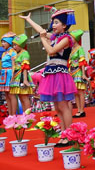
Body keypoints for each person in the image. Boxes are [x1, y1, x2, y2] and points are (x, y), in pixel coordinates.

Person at [20, 7, 78, 146]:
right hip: (51, 73)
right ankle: (63, 134)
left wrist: (42, 38)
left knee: (63, 105)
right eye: (53, 23)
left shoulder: (66, 39)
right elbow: (42, 31)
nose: (53, 25)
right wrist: (29, 20)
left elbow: (51, 51)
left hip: (60, 73)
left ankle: (69, 135)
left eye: (56, 22)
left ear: (64, 25)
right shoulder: (55, 37)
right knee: (57, 107)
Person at [9, 34, 34, 113]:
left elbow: (25, 67)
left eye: (15, 45)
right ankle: (24, 115)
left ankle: (28, 115)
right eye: (13, 45)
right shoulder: (18, 54)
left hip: (22, 76)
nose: (14, 47)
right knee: (20, 97)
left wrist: (25, 80)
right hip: (17, 76)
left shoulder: (25, 53)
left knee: (24, 97)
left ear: (21, 45)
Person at [68, 29, 88, 118]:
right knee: (75, 92)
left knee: (80, 92)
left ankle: (82, 110)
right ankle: (78, 110)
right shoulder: (72, 49)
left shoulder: (80, 49)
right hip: (72, 72)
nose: (70, 39)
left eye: (71, 38)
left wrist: (83, 74)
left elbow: (82, 62)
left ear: (76, 39)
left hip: (78, 71)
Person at [0, 32, 17, 102]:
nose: (2, 44)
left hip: (9, 73)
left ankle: (13, 109)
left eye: (4, 42)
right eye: (2, 42)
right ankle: (9, 109)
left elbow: (14, 65)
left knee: (11, 94)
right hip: (4, 73)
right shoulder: (4, 53)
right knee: (6, 95)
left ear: (9, 42)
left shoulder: (13, 52)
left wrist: (12, 76)